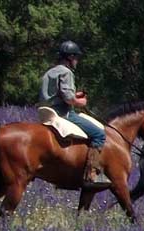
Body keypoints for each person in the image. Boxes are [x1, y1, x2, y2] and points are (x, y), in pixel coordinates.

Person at [40, 40, 110, 188]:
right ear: (70, 57)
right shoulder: (66, 72)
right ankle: (91, 174)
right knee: (99, 134)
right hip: (63, 113)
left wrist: (75, 95)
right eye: (76, 57)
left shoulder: (50, 72)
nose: (77, 61)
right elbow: (68, 99)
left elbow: (57, 93)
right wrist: (81, 102)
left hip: (46, 112)